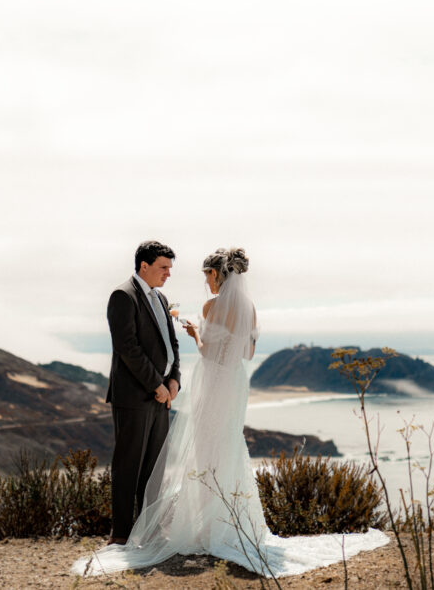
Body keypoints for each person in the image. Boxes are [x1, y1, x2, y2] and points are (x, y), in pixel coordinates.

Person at [73, 247, 387, 578]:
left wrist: (191, 344)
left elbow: (203, 353)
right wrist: (168, 376)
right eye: (164, 267)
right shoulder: (245, 308)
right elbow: (245, 353)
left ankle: (203, 528)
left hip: (211, 383)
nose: (177, 275)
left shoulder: (210, 306)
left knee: (201, 451)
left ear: (216, 274)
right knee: (224, 447)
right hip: (230, 384)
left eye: (205, 274)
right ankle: (201, 526)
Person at [104, 240, 182, 545]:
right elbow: (128, 348)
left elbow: (171, 344)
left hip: (162, 397)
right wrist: (156, 385)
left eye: (170, 268)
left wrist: (174, 380)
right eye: (163, 267)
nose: (168, 274)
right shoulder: (123, 296)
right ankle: (121, 535)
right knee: (128, 467)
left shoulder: (160, 298)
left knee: (154, 469)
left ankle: (148, 531)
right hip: (134, 397)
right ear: (144, 266)